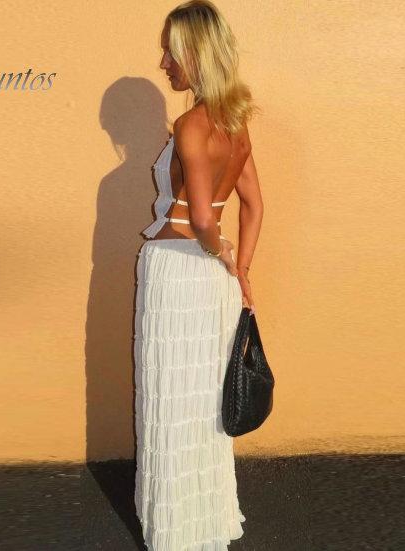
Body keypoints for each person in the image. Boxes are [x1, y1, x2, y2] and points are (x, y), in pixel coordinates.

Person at [133, 1, 263, 549]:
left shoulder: (191, 124)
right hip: (212, 283)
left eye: (171, 52)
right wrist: (239, 270)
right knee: (205, 402)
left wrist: (220, 251)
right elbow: (254, 205)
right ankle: (204, 523)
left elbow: (204, 219)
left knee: (170, 395)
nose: (163, 63)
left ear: (196, 54)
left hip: (178, 271)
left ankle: (174, 533)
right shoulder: (236, 125)